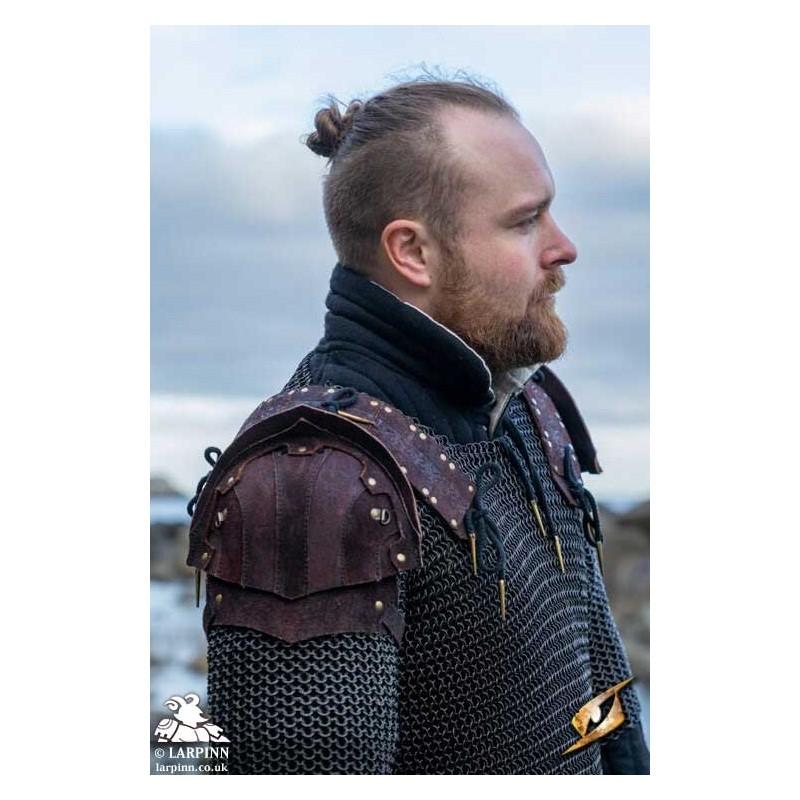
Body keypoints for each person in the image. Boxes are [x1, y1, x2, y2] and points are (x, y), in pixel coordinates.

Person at [187, 76, 650, 775]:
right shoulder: (313, 485)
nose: (564, 247)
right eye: (525, 222)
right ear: (413, 252)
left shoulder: (526, 408)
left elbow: (601, 704)